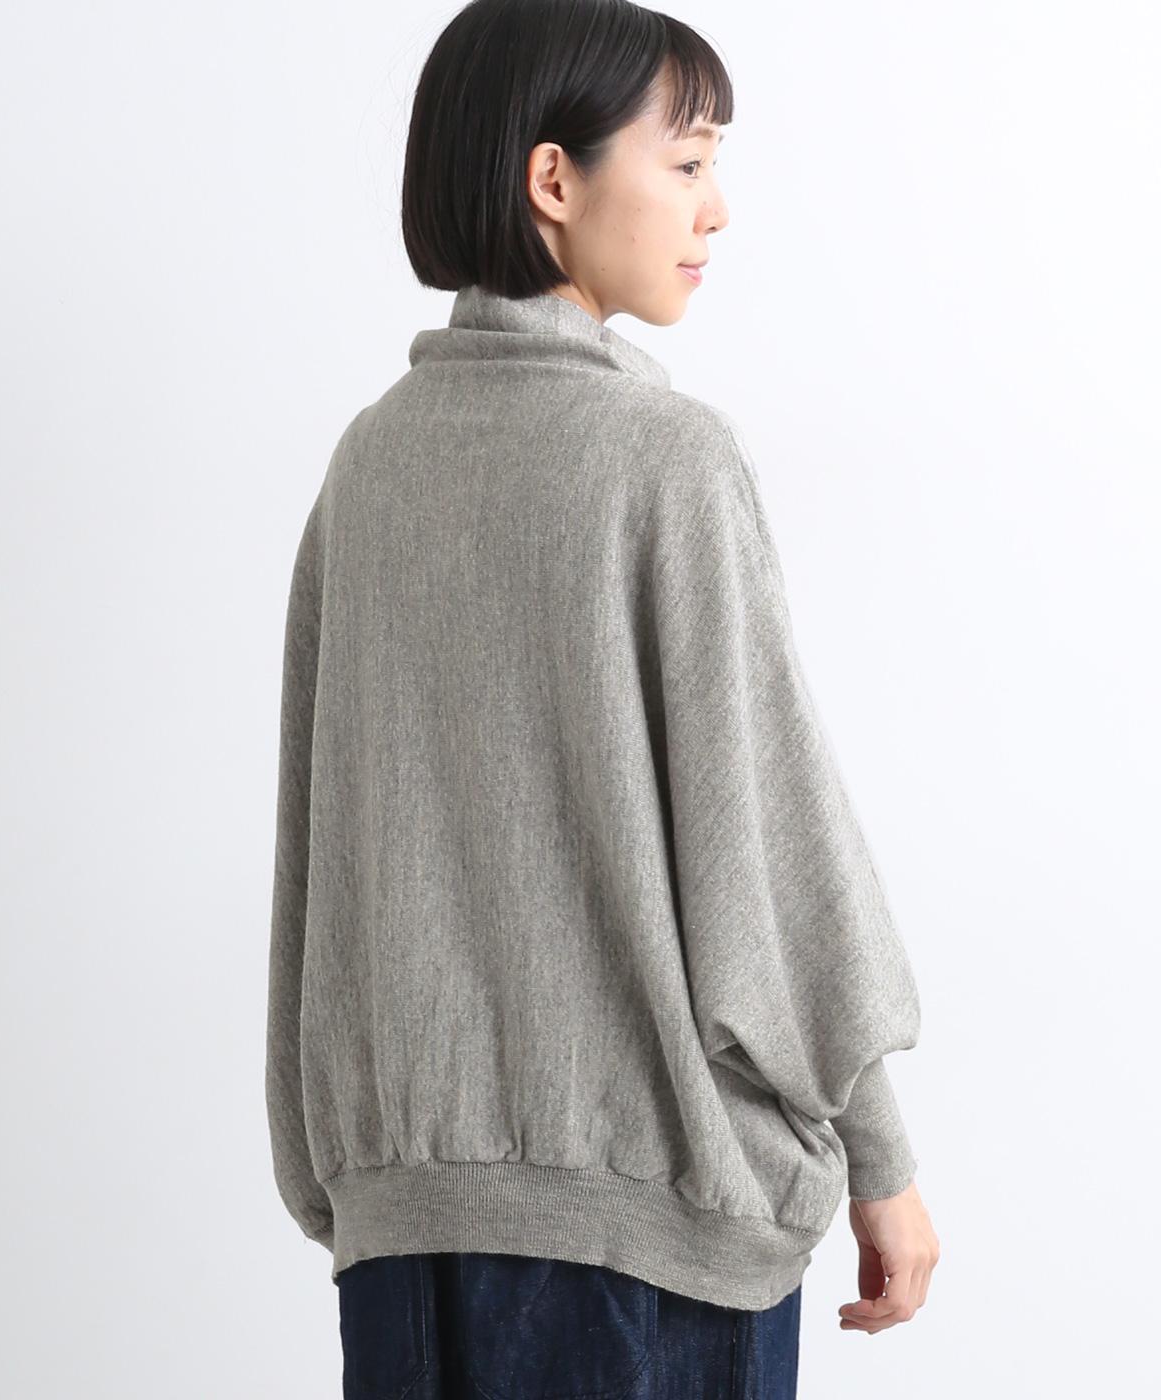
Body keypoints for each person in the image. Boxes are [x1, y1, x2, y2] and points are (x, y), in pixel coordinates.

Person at [264, 0, 941, 1394]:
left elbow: (314, 868)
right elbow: (769, 850)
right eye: (686, 162)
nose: (716, 208)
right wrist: (882, 1160)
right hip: (649, 1250)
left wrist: (361, 1184)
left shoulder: (368, 467)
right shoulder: (663, 459)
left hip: (406, 1244)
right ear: (553, 180)